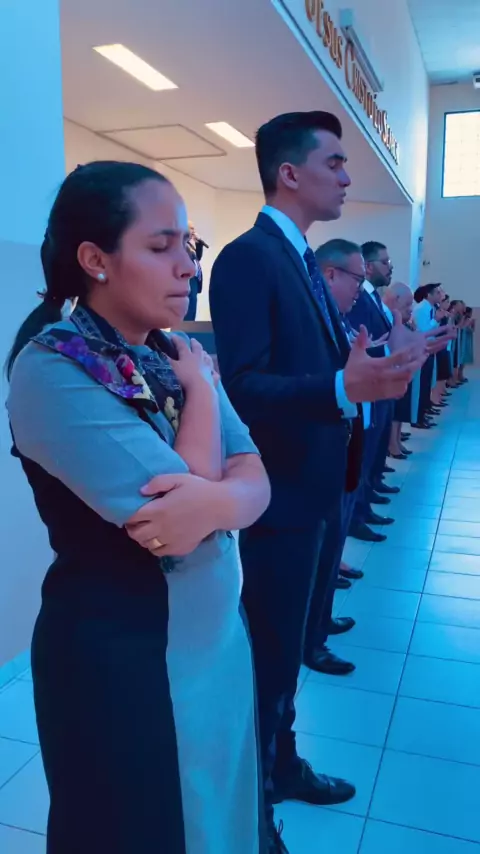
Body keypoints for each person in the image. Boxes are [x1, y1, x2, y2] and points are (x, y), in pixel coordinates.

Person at [6, 161, 271, 854]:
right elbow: (180, 525)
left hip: (212, 640)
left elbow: (254, 479)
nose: (188, 266)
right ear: (95, 259)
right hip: (128, 655)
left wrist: (223, 498)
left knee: (219, 818)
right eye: (161, 246)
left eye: (189, 245)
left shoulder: (171, 349)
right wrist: (205, 397)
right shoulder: (54, 366)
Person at [208, 111, 423, 853]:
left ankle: (283, 762)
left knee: (292, 646)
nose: (347, 176)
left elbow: (327, 370)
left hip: (318, 486)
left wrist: (376, 368)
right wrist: (339, 386)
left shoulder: (299, 258)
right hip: (281, 494)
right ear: (289, 173)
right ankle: (256, 802)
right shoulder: (248, 258)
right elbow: (242, 384)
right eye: (334, 162)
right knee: (271, 654)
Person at [303, 238, 369, 677]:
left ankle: (321, 622)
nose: (360, 291)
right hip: (320, 451)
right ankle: (310, 641)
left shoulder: (338, 320)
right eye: (357, 280)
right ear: (330, 275)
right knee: (317, 552)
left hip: (343, 446)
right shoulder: (314, 323)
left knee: (331, 548)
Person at [347, 241, 397, 543]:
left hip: (380, 383)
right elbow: (360, 341)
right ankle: (356, 516)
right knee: (363, 453)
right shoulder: (359, 299)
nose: (389, 267)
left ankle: (364, 504)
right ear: (368, 266)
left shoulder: (372, 297)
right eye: (385, 262)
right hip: (368, 385)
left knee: (374, 447)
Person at [383, 282, 414, 458]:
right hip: (390, 373)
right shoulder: (387, 316)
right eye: (407, 304)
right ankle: (392, 444)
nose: (410, 309)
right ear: (396, 299)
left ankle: (396, 440)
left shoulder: (399, 319)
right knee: (392, 412)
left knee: (400, 408)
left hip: (401, 370)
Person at [412, 283, 442, 428]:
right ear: (428, 295)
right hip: (422, 350)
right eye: (437, 293)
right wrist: (436, 320)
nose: (440, 295)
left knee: (426, 384)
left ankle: (423, 413)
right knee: (422, 385)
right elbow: (424, 331)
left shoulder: (430, 308)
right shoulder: (421, 309)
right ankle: (418, 418)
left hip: (429, 349)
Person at [184, 221, 205, 320]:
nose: (194, 231)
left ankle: (189, 326)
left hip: (194, 280)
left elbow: (197, 258)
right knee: (188, 309)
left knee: (192, 307)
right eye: (191, 228)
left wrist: (199, 244)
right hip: (188, 280)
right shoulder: (181, 244)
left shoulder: (189, 245)